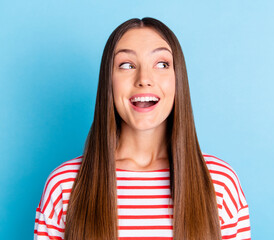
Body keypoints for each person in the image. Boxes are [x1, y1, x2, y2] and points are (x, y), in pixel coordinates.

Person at [34, 17, 251, 240]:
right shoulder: (65, 185)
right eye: (126, 65)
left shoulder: (220, 183)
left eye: (162, 64)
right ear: (108, 81)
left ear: (178, 79)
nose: (144, 79)